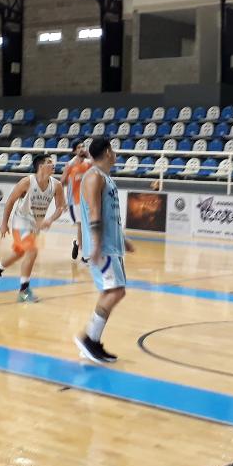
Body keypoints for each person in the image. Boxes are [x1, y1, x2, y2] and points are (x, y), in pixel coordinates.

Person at [75, 138, 134, 363]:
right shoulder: (93, 176)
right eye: (113, 150)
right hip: (102, 247)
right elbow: (94, 211)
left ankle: (92, 341)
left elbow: (110, 215)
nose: (115, 153)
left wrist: (123, 239)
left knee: (111, 292)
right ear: (108, 151)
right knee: (116, 292)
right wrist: (97, 244)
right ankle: (88, 339)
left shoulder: (105, 177)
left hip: (111, 245)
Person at [0, 154, 66, 303]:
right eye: (49, 162)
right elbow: (10, 201)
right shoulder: (27, 182)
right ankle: (24, 291)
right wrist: (4, 223)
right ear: (41, 166)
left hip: (35, 225)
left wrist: (50, 219)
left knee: (19, 253)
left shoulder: (57, 185)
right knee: (32, 251)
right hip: (20, 222)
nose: (53, 164)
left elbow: (61, 207)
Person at [61, 139, 92, 260]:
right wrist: (62, 201)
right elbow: (62, 182)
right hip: (75, 200)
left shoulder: (89, 163)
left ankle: (78, 243)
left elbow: (100, 169)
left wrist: (89, 155)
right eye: (79, 147)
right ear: (74, 151)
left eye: (83, 146)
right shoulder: (70, 164)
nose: (82, 149)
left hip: (88, 199)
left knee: (88, 226)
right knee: (82, 225)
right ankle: (85, 254)